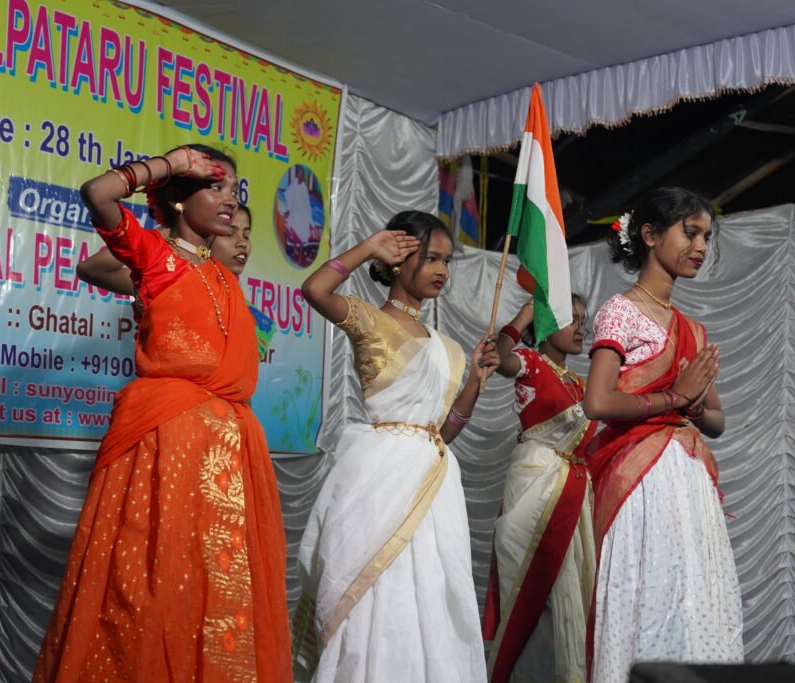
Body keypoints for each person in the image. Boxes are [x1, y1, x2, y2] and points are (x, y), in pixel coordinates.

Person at [34, 145, 291, 682]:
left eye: (234, 191)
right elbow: (97, 194)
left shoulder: (222, 274)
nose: (229, 201)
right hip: (168, 443)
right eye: (215, 188)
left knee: (216, 586)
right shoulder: (156, 257)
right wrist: (170, 165)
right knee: (154, 583)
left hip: (232, 448)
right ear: (177, 202)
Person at [292, 210, 498, 682]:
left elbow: (441, 433)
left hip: (433, 484)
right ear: (398, 259)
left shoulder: (446, 347)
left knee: (430, 594)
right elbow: (313, 290)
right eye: (430, 259)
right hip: (377, 480)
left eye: (447, 261)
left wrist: (473, 384)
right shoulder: (369, 319)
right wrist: (368, 247)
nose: (441, 270)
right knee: (374, 593)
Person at [582, 187, 743, 682]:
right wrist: (677, 398)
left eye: (706, 237)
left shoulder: (691, 329)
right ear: (649, 235)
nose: (700, 247)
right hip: (640, 484)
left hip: (688, 482)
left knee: (695, 594)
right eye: (689, 233)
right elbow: (598, 403)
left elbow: (715, 421)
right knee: (647, 591)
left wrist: (692, 401)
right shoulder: (619, 312)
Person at [483, 296, 598, 682]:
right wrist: (524, 316)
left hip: (572, 496)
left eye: (584, 321)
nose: (582, 328)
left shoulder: (582, 385)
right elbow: (499, 358)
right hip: (535, 490)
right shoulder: (530, 364)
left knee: (571, 596)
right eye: (572, 320)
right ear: (546, 328)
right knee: (533, 594)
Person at [77, 205, 272, 358]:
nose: (242, 243)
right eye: (230, 233)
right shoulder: (171, 282)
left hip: (223, 409)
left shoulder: (252, 318)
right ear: (203, 236)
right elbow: (91, 269)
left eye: (246, 235)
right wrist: (162, 237)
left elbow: (241, 391)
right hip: (172, 403)